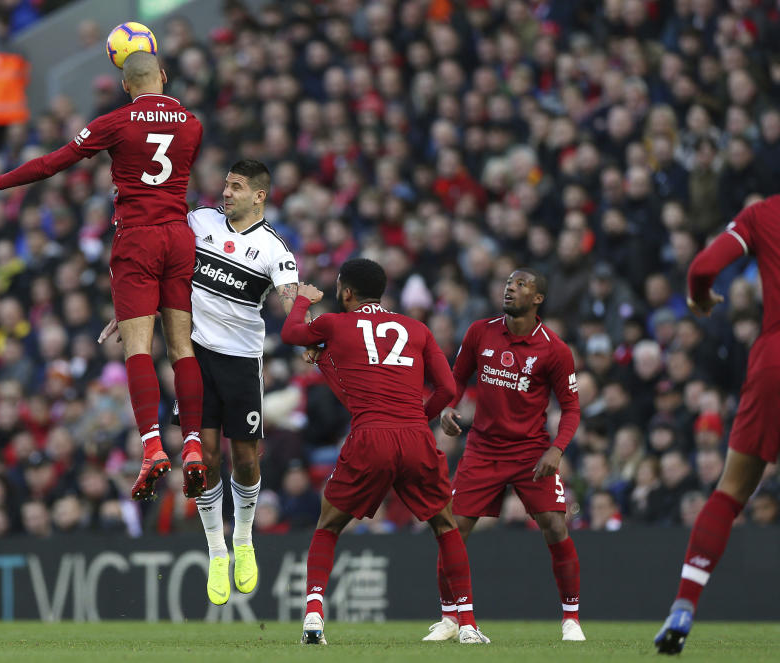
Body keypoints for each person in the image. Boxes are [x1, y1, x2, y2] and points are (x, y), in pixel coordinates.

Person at [0, 51, 206, 500]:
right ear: (165, 77)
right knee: (181, 347)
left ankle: (153, 446)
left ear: (125, 85)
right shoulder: (192, 123)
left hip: (138, 238)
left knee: (138, 346)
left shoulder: (115, 122)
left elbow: (53, 162)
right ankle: (193, 445)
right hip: (178, 235)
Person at [280, 259, 489, 645]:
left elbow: (292, 332)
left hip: (369, 437)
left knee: (328, 526)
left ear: (346, 293)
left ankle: (313, 617)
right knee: (445, 526)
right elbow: (446, 390)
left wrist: (302, 301)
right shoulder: (417, 328)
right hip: (414, 436)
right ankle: (469, 624)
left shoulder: (334, 324)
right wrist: (417, 419)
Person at [655, 197, 780, 654]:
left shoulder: (763, 214)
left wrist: (700, 296)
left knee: (729, 494)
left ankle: (684, 606)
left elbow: (703, 266)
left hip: (773, 365)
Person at [435, 268, 584, 642]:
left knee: (556, 526)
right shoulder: (479, 331)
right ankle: (450, 618)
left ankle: (571, 619)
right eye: (508, 283)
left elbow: (572, 408)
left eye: (521, 285)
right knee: (451, 530)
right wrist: (448, 407)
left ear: (537, 299)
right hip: (483, 449)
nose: (510, 288)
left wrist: (556, 449)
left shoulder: (554, 349)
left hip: (531, 452)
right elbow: (456, 377)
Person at [183, 160, 299, 605]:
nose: (225, 192)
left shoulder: (274, 249)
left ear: (259, 196)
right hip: (194, 355)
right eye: (226, 184)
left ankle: (244, 539)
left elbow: (291, 303)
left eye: (236, 187)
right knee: (205, 457)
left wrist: (307, 322)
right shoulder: (200, 221)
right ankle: (217, 550)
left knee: (245, 460)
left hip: (241, 361)